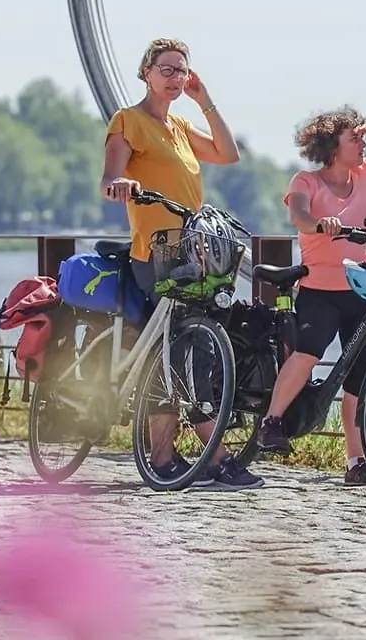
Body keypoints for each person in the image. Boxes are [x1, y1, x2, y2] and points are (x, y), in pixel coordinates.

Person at [99, 37, 259, 490]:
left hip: (193, 253)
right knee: (179, 352)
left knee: (193, 346)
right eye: (166, 70)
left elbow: (229, 154)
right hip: (155, 252)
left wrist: (205, 100)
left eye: (182, 71)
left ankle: (191, 454)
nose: (175, 78)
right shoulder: (128, 121)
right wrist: (122, 184)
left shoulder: (182, 128)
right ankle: (190, 456)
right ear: (146, 73)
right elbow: (108, 178)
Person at [253, 106, 366, 483]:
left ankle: (355, 461)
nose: (363, 144)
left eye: (363, 138)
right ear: (332, 145)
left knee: (358, 379)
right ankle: (272, 421)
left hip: (362, 290)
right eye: (355, 139)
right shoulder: (307, 181)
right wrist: (319, 224)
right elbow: (297, 215)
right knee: (308, 352)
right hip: (320, 289)